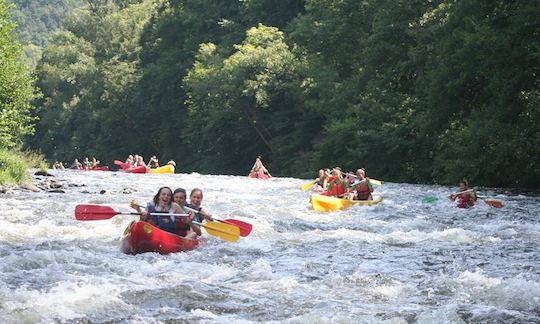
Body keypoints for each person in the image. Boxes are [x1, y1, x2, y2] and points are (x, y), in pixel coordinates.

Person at [136, 187, 200, 239]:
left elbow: (187, 220)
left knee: (193, 234)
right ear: (159, 196)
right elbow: (142, 220)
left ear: (170, 198)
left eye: (168, 195)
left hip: (170, 236)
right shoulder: (151, 205)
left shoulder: (175, 206)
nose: (166, 196)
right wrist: (138, 210)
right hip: (154, 234)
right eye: (163, 194)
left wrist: (190, 219)